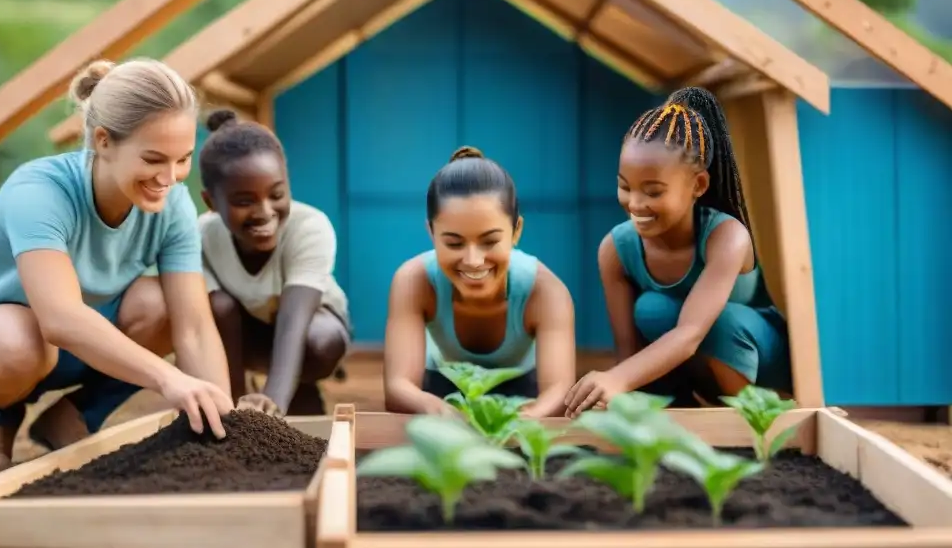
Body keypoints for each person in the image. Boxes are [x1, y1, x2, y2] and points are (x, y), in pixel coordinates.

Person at [0, 58, 234, 477]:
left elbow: (194, 328)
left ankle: (76, 415)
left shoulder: (173, 204)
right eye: (153, 159)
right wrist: (168, 379)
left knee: (163, 306)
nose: (170, 177)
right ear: (104, 141)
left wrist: (229, 427)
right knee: (21, 341)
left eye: (182, 159)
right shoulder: (39, 191)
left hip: (70, 342)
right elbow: (59, 319)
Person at [565, 86, 791, 417]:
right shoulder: (616, 248)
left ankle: (750, 415)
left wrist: (615, 378)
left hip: (758, 356)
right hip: (693, 363)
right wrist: (618, 397)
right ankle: (682, 405)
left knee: (722, 321)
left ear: (698, 185)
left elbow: (690, 333)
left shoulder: (727, 236)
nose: (635, 204)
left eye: (653, 192)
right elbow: (629, 351)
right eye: (625, 187)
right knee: (651, 309)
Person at [384, 146, 576, 417]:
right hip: (441, 388)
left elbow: (559, 390)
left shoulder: (544, 291)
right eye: (453, 242)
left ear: (516, 231)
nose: (473, 260)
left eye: (489, 241)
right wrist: (439, 411)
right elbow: (398, 387)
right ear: (431, 232)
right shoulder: (413, 281)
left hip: (521, 393)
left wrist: (520, 423)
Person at [198, 110, 351, 417]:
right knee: (218, 306)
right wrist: (234, 410)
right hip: (246, 332)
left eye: (277, 194)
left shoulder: (310, 227)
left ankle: (298, 387)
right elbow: (218, 317)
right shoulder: (200, 235)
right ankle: (234, 399)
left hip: (309, 329)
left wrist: (273, 401)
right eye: (244, 201)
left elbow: (295, 321)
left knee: (317, 343)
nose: (265, 212)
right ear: (211, 202)